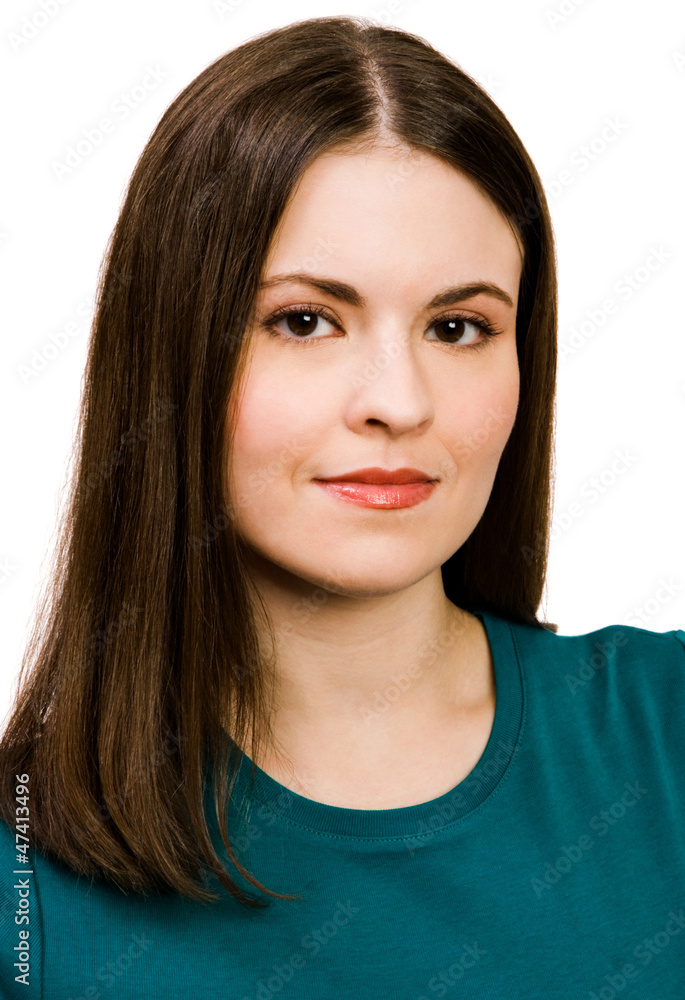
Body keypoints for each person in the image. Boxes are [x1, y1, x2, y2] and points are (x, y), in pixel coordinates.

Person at [1, 14, 684, 998]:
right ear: (172, 354)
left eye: (458, 327)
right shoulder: (22, 879)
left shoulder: (663, 731)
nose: (398, 402)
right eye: (305, 320)